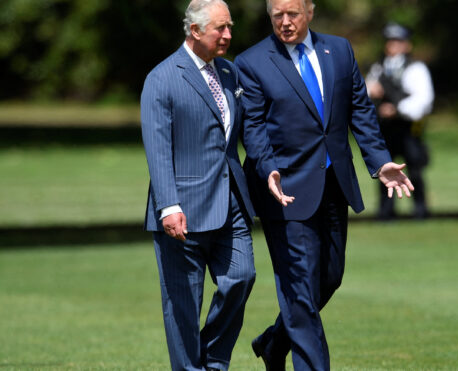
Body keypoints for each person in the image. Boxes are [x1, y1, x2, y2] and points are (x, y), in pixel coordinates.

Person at [234, 0, 414, 369]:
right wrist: (267, 167)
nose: (285, 22)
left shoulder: (339, 50)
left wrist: (379, 162)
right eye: (277, 15)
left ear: (310, 11)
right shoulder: (250, 63)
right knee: (299, 288)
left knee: (328, 278)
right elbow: (252, 126)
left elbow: (360, 110)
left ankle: (273, 342)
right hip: (283, 189)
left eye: (293, 14)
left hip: (334, 185)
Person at [140, 1, 256, 369]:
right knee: (183, 306)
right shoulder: (162, 77)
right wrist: (168, 206)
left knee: (242, 277)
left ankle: (213, 361)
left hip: (232, 203)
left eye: (230, 27)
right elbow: (157, 147)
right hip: (182, 210)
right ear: (194, 31)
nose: (228, 35)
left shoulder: (229, 72)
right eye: (220, 28)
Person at [365, 22, 434, 220]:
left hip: (408, 128)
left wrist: (396, 109)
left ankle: (420, 210)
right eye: (390, 41)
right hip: (385, 128)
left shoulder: (415, 68)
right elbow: (365, 91)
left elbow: (423, 99)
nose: (393, 46)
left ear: (406, 45)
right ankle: (386, 211)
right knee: (384, 168)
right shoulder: (379, 67)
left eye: (397, 41)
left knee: (415, 168)